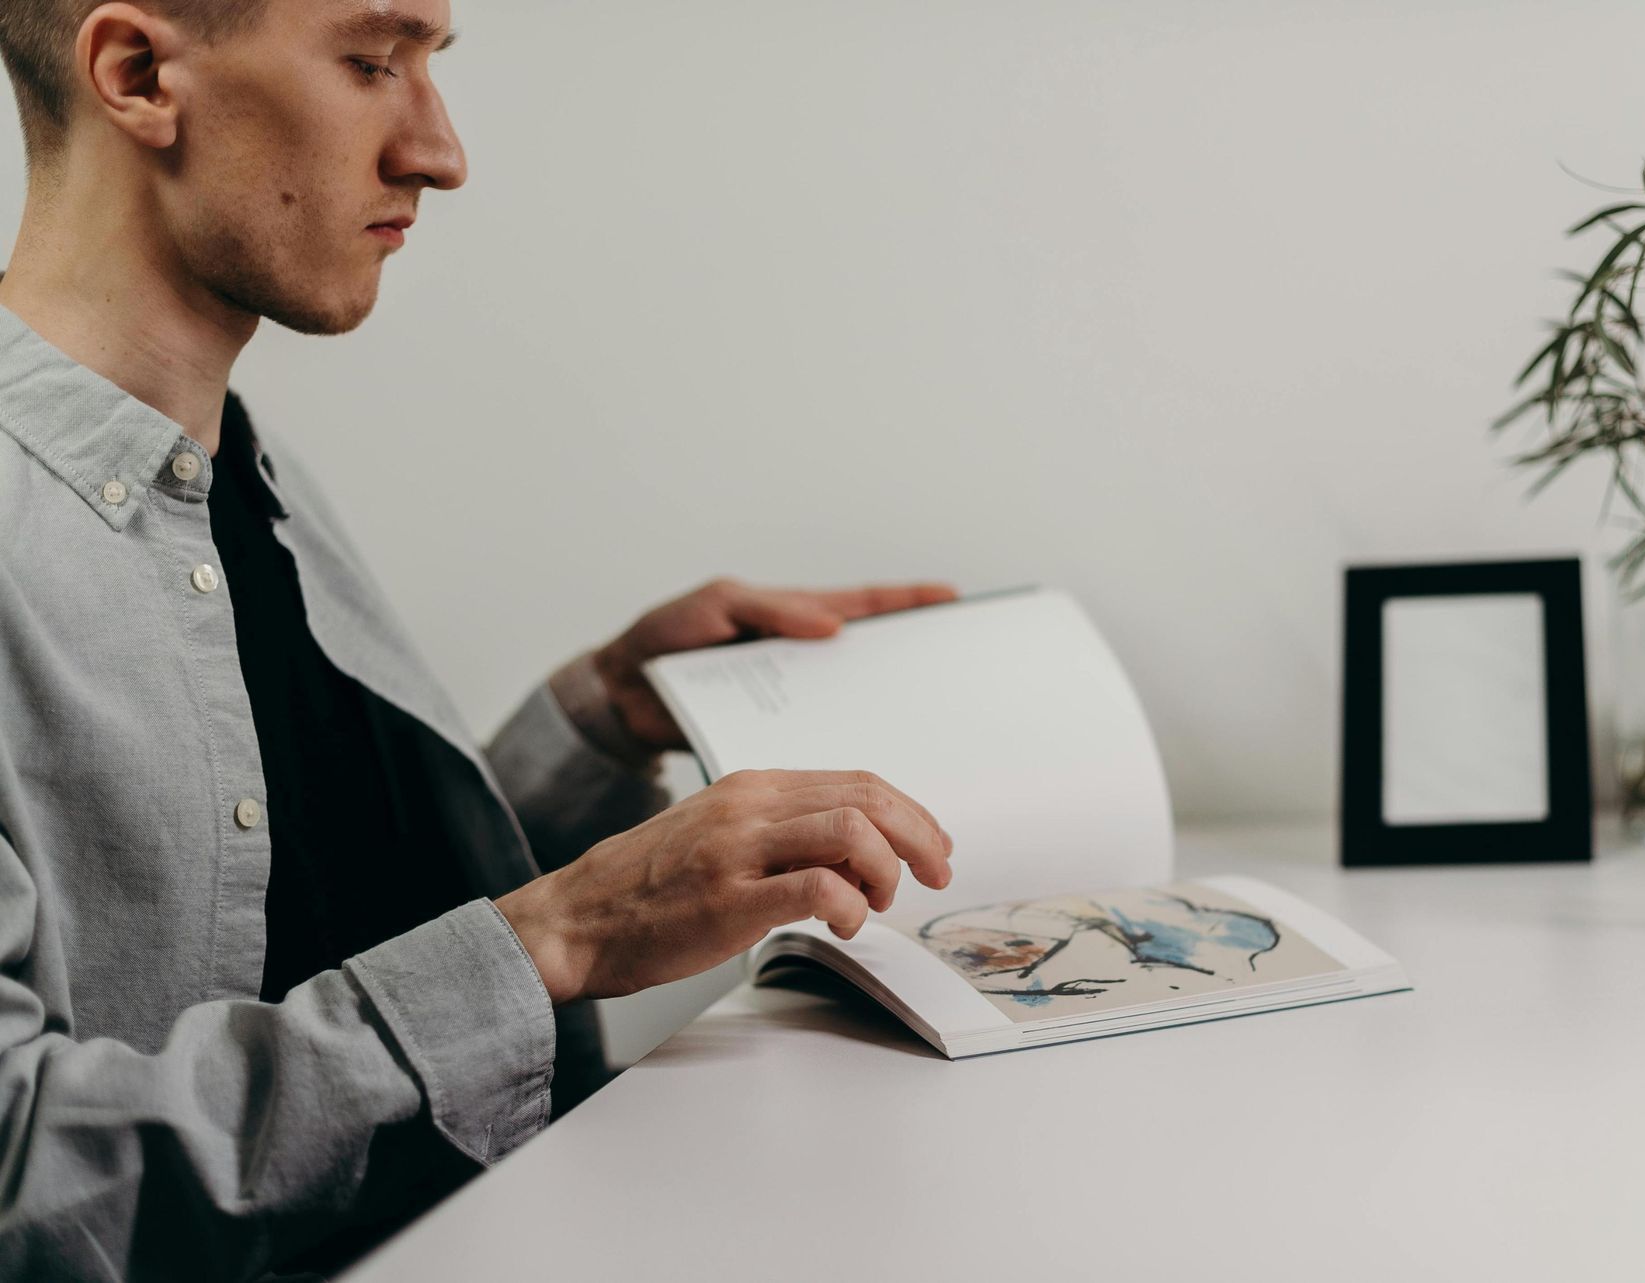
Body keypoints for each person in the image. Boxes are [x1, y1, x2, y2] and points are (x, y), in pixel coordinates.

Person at [0, 0, 958, 1276]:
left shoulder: (244, 473)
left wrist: (599, 718)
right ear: (136, 74)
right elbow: (26, 1172)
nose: (439, 151)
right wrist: (557, 937)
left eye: (429, 70)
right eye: (371, 64)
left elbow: (325, 922)